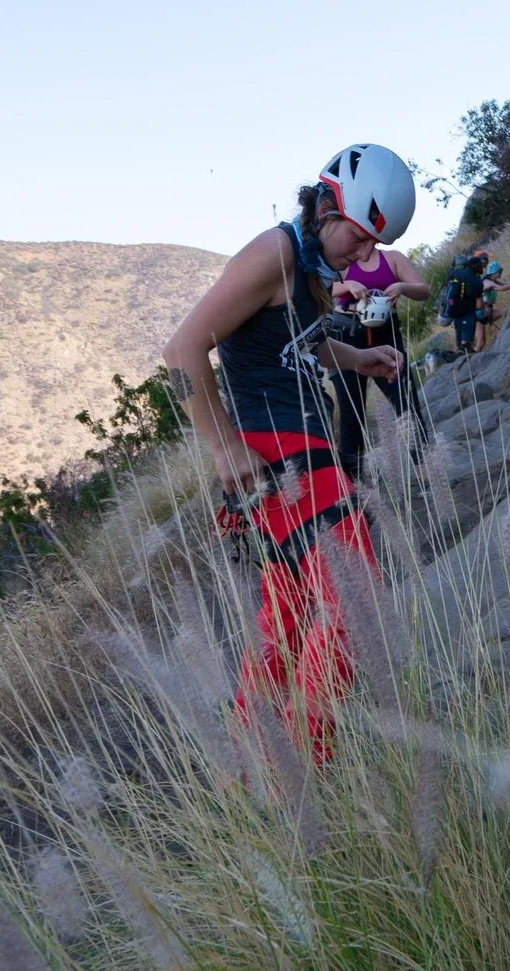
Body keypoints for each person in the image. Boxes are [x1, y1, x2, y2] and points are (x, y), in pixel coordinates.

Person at [160, 142, 417, 750]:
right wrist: (223, 448)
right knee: (358, 612)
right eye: (359, 237)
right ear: (328, 204)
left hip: (292, 457)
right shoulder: (274, 252)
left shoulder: (308, 269)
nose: (366, 254)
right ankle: (304, 776)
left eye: (375, 244)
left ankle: (251, 772)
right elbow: (180, 352)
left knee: (287, 620)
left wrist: (363, 358)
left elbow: (305, 346)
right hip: (283, 455)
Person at [328, 231, 433, 476]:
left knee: (406, 402)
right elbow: (317, 287)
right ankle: (353, 484)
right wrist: (346, 285)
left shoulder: (393, 258)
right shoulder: (340, 260)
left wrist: (402, 286)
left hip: (386, 332)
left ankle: (427, 474)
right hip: (346, 333)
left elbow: (423, 290)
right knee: (351, 411)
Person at [441, 247, 488, 353]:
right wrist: (483, 315)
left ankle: (460, 351)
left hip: (454, 309)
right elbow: (479, 305)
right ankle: (466, 351)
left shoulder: (458, 273)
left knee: (459, 331)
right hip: (466, 310)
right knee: (467, 336)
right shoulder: (476, 281)